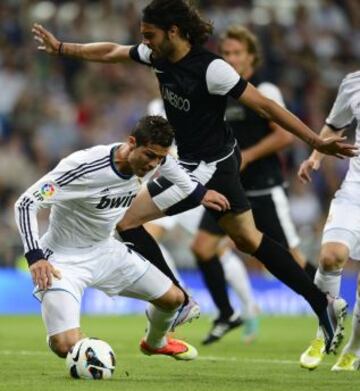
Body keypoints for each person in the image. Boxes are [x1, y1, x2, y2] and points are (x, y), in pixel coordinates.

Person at [32, 0, 357, 354]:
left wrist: (314, 141)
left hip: (206, 166)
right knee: (248, 240)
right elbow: (112, 51)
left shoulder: (212, 69)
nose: (145, 42)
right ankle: (321, 301)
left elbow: (265, 106)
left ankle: (180, 298)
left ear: (173, 31)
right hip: (214, 160)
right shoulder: (157, 55)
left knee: (126, 219)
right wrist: (63, 48)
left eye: (150, 35)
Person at [13, 115, 227, 361]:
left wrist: (199, 193)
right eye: (149, 155)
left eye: (159, 158)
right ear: (131, 142)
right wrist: (35, 256)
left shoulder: (152, 161)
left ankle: (155, 343)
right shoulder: (83, 167)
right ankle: (65, 334)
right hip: (63, 261)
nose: (153, 164)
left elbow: (170, 166)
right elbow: (26, 203)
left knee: (174, 300)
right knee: (64, 345)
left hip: (106, 251)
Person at [192, 26, 317, 345]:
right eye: (226, 53)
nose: (231, 58)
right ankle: (226, 313)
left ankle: (329, 302)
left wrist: (246, 156)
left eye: (237, 53)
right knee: (202, 248)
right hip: (229, 189)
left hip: (263, 189)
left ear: (251, 57)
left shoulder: (265, 90)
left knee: (292, 261)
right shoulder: (220, 91)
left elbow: (283, 135)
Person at [146, 96, 259, 344]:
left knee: (213, 250)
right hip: (169, 181)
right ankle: (179, 295)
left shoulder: (201, 104)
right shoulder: (156, 107)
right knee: (149, 235)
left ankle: (248, 307)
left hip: (195, 182)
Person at [298, 70, 360, 371]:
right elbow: (334, 125)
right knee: (331, 256)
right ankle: (323, 333)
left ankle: (354, 349)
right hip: (355, 191)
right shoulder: (354, 83)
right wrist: (315, 158)